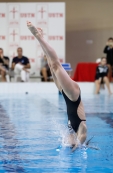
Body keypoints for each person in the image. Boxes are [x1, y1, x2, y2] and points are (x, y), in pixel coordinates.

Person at [27, 21, 87, 151]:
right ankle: (38, 36)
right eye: (69, 142)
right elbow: (83, 136)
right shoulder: (81, 128)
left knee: (51, 66)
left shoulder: (70, 130)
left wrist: (69, 146)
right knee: (56, 65)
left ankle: (40, 37)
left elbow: (69, 139)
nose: (66, 140)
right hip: (73, 95)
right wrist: (76, 148)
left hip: (66, 94)